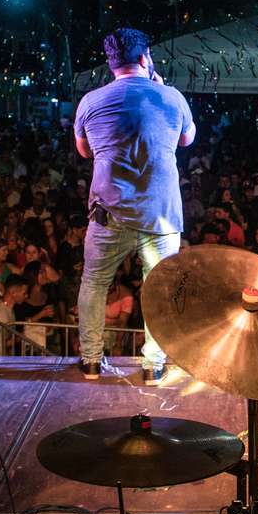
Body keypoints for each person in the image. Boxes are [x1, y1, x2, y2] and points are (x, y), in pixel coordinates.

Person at [74, 28, 195, 385]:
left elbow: (84, 151)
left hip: (108, 213)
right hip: (160, 215)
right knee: (159, 288)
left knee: (94, 283)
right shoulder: (171, 97)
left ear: (110, 63)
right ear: (145, 58)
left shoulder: (90, 101)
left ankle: (91, 360)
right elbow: (187, 139)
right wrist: (161, 88)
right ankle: (152, 365)